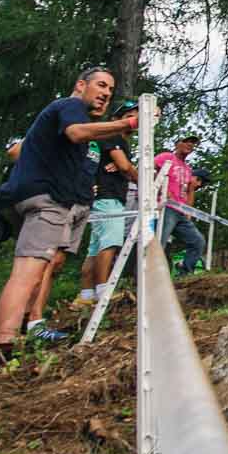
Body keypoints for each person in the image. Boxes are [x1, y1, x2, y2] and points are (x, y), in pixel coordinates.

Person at [0, 67, 139, 361]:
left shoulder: (70, 117)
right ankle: (3, 347)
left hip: (62, 199)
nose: (106, 94)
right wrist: (129, 122)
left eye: (110, 90)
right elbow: (75, 133)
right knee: (27, 272)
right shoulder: (70, 106)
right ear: (81, 85)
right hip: (46, 201)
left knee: (43, 268)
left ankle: (30, 327)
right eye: (101, 85)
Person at [76, 105, 139, 306]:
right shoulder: (113, 136)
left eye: (136, 117)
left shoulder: (112, 141)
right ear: (116, 119)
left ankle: (86, 295)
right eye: (128, 116)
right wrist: (139, 178)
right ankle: (103, 290)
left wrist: (124, 168)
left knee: (95, 248)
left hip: (102, 198)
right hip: (109, 197)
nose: (133, 120)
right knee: (109, 243)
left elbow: (121, 165)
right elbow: (124, 166)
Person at [151, 134, 206, 274]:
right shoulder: (166, 157)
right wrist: (161, 189)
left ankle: (185, 273)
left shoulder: (188, 169)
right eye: (186, 141)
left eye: (193, 143)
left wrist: (188, 210)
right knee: (159, 243)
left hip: (181, 211)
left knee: (198, 241)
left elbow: (187, 192)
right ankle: (148, 276)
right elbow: (148, 169)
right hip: (166, 207)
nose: (190, 144)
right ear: (177, 144)